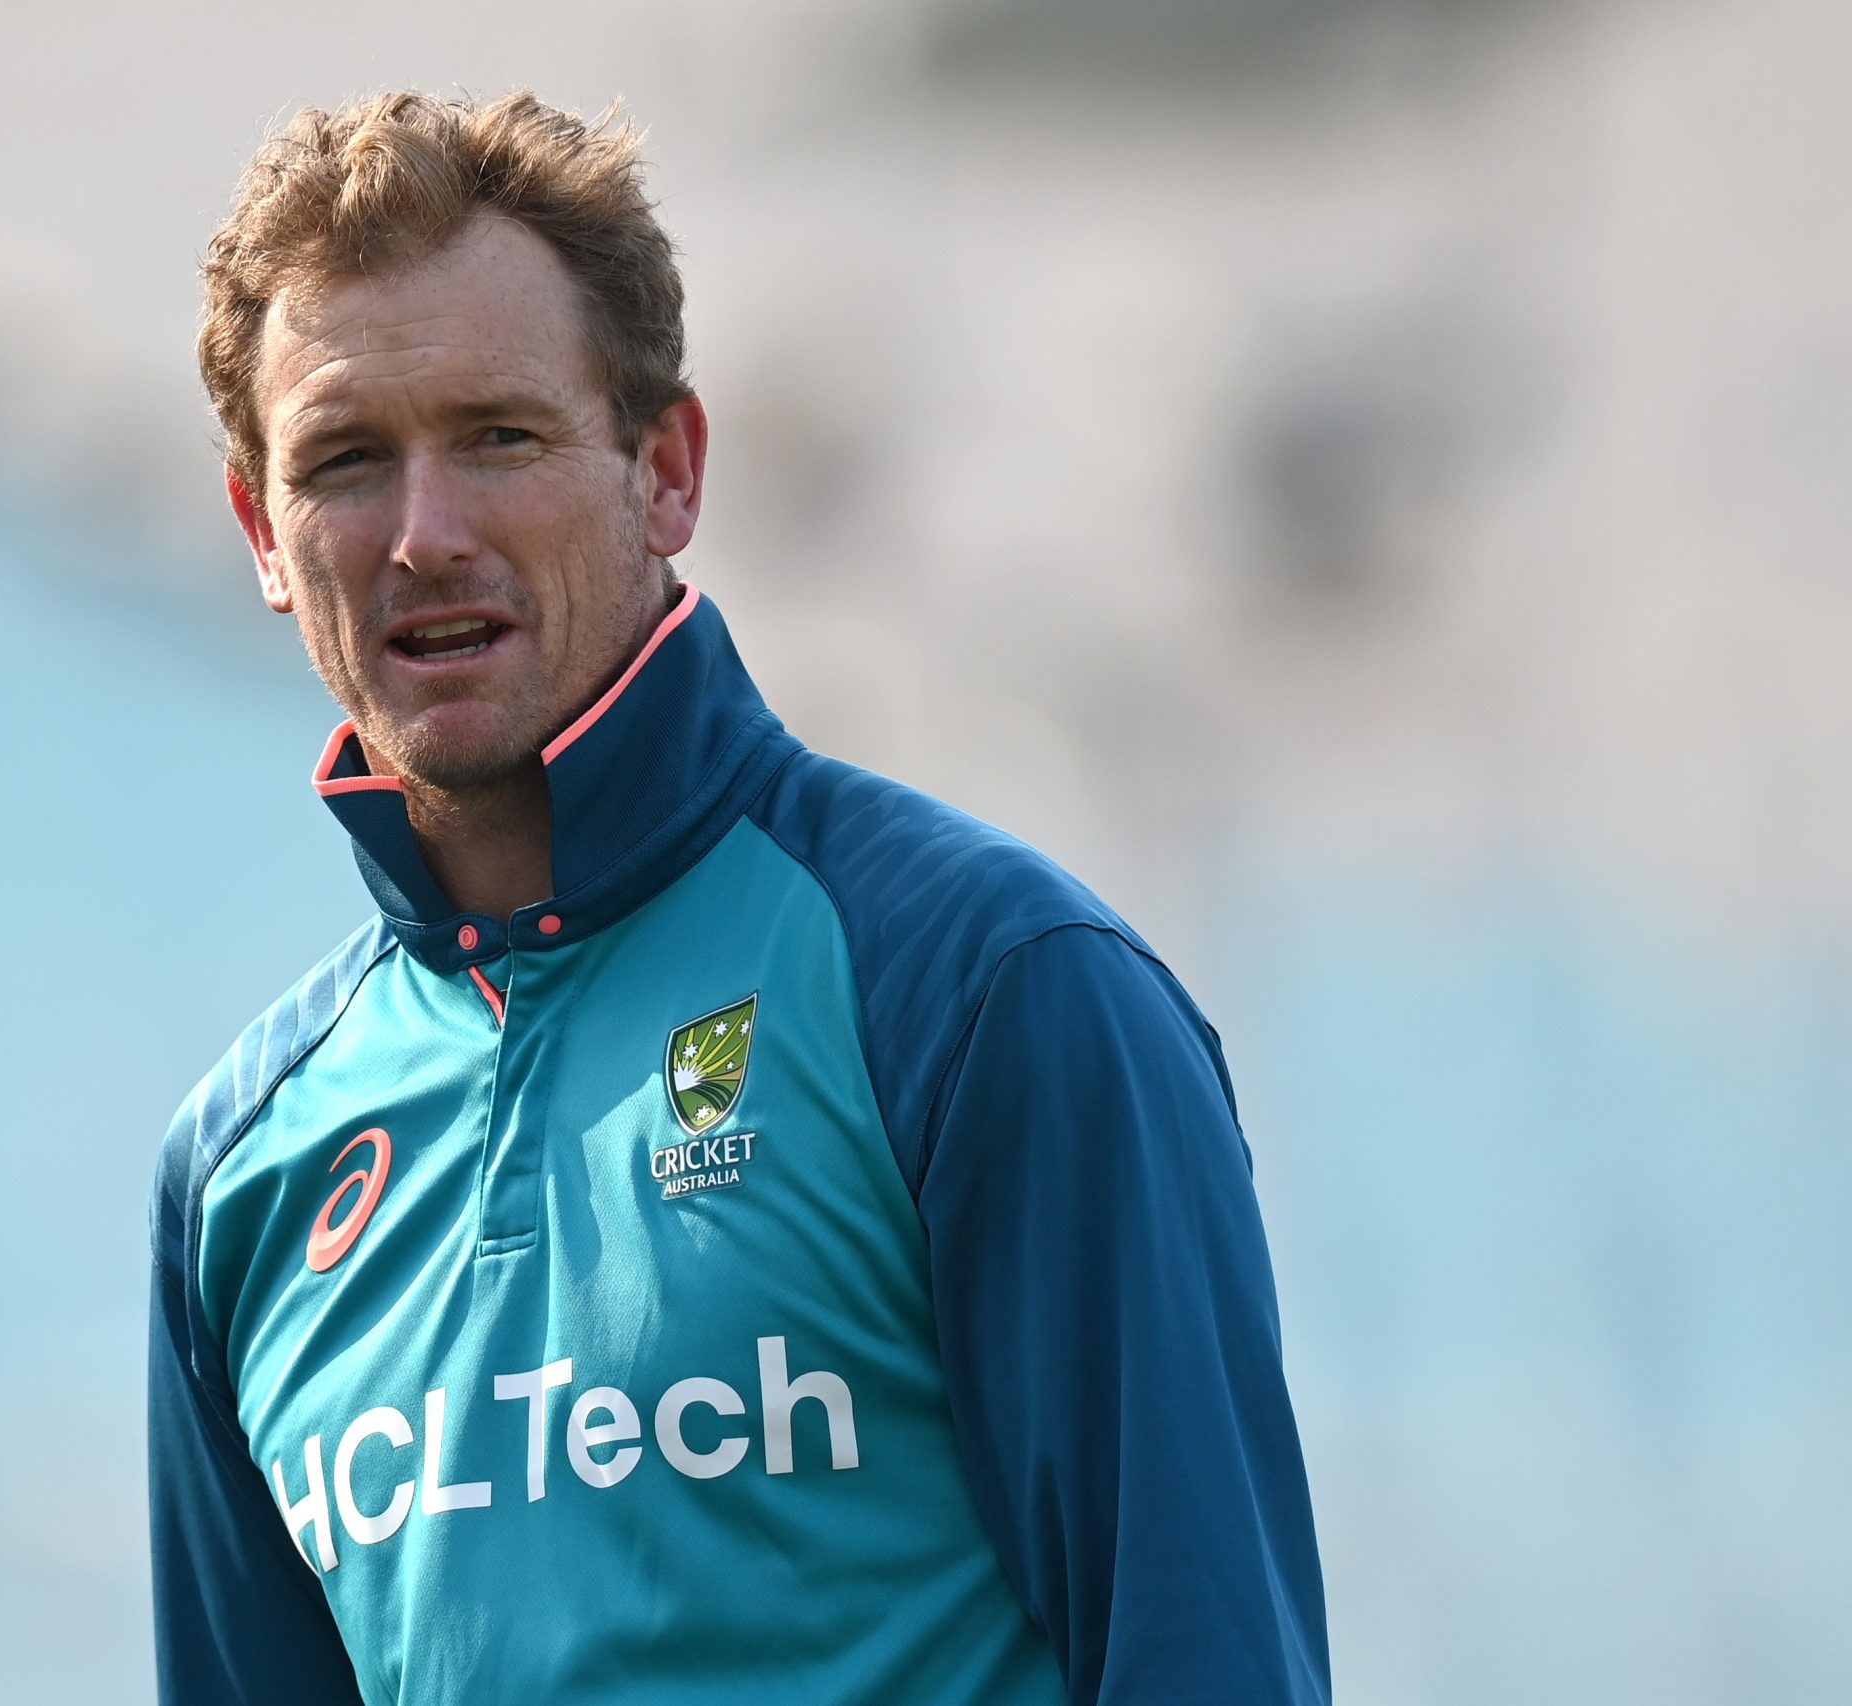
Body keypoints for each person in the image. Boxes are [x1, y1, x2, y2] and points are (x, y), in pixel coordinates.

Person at [148, 90, 1329, 1706]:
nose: (424, 536)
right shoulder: (242, 1176)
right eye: (348, 461)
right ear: (261, 532)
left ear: (667, 470)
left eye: (499, 435)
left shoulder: (990, 987)